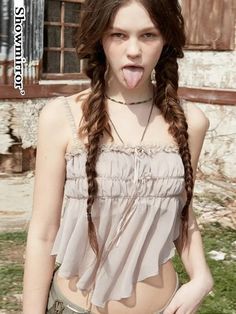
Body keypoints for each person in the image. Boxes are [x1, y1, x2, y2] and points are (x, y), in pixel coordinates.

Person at [23, 0, 214, 313]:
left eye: (148, 35)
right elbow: (43, 233)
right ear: (101, 38)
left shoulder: (191, 123)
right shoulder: (62, 117)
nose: (134, 50)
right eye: (119, 35)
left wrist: (202, 276)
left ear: (165, 39)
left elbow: (182, 216)